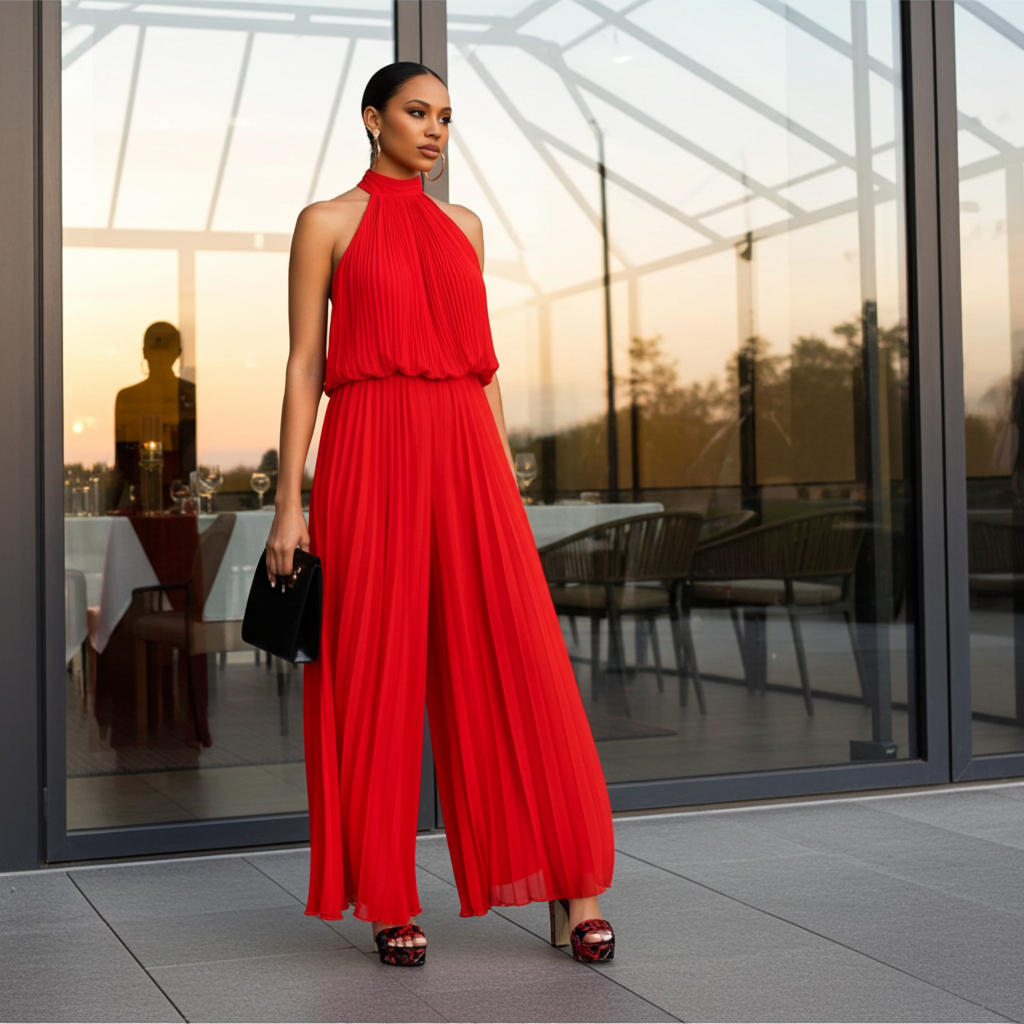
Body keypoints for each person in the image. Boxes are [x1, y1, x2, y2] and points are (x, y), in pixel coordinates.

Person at [264, 62, 615, 967]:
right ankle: (388, 894)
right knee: (374, 671)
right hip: (369, 452)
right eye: (417, 113)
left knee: (521, 664)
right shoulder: (326, 223)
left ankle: (574, 889)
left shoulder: (464, 228)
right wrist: (287, 505)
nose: (434, 131)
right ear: (374, 119)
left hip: (467, 457)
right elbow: (306, 364)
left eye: (447, 118)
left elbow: (483, 370)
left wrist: (506, 488)